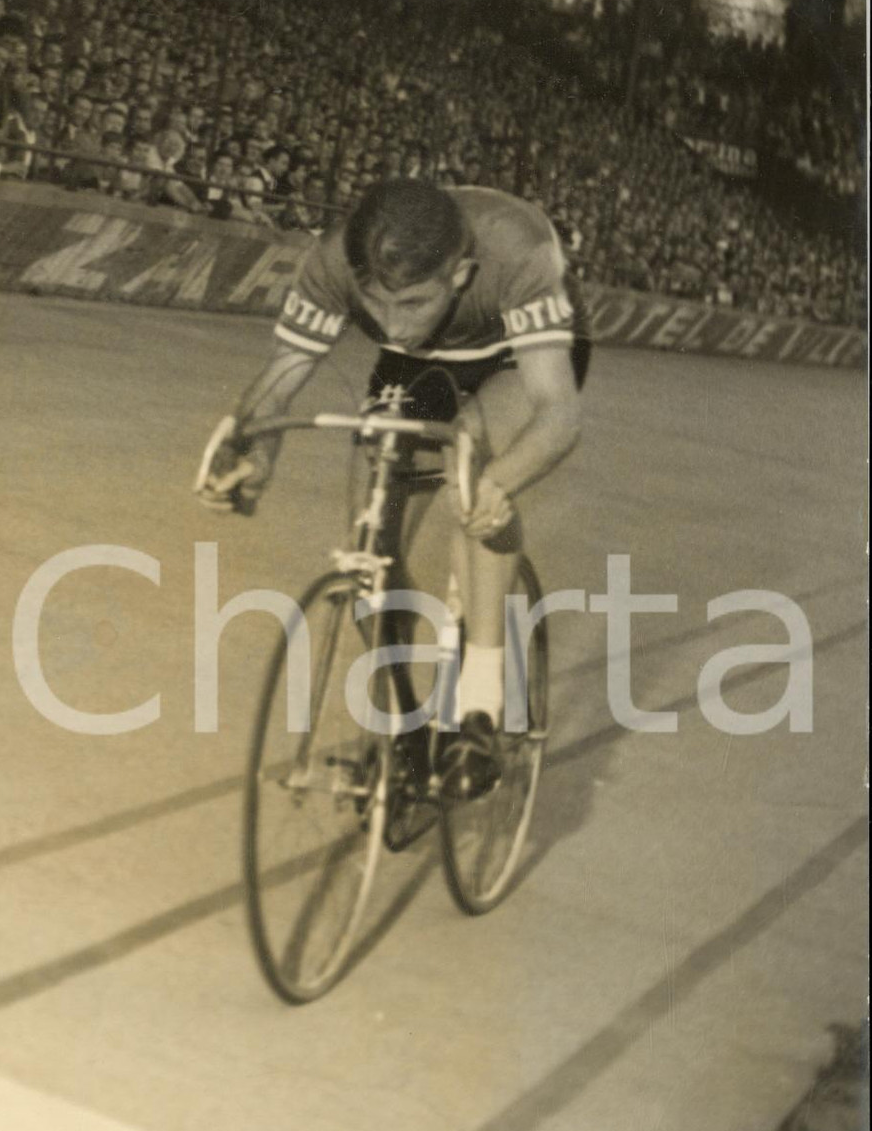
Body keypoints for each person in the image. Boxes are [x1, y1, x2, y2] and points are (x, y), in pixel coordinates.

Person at [194, 178, 589, 799]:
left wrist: (499, 484)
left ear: (461, 275)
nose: (393, 323)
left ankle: (481, 699)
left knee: (471, 465)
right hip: (420, 366)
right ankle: (399, 723)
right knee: (369, 535)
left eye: (413, 303)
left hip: (519, 355)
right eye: (376, 304)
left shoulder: (517, 249)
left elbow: (558, 413)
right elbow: (280, 379)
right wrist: (256, 453)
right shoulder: (334, 260)